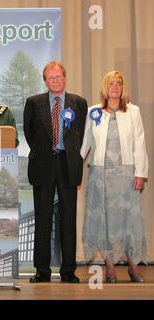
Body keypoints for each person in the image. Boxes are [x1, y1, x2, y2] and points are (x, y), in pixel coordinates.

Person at [80, 70, 149, 283]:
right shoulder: (94, 112)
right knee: (105, 222)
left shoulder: (133, 111)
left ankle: (133, 267)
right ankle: (110, 268)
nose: (115, 87)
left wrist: (140, 173)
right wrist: (70, 169)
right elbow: (85, 145)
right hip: (100, 176)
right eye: (111, 84)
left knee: (129, 221)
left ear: (123, 88)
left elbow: (140, 143)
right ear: (105, 87)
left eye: (119, 84)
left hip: (126, 176)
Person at [23, 61, 88, 283]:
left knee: (68, 218)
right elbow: (30, 133)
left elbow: (81, 135)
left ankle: (68, 270)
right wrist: (44, 151)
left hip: (68, 164)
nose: (55, 80)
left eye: (58, 76)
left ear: (65, 77)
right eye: (51, 78)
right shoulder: (34, 102)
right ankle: (42, 270)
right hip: (43, 163)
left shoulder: (79, 103)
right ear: (45, 81)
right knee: (42, 218)